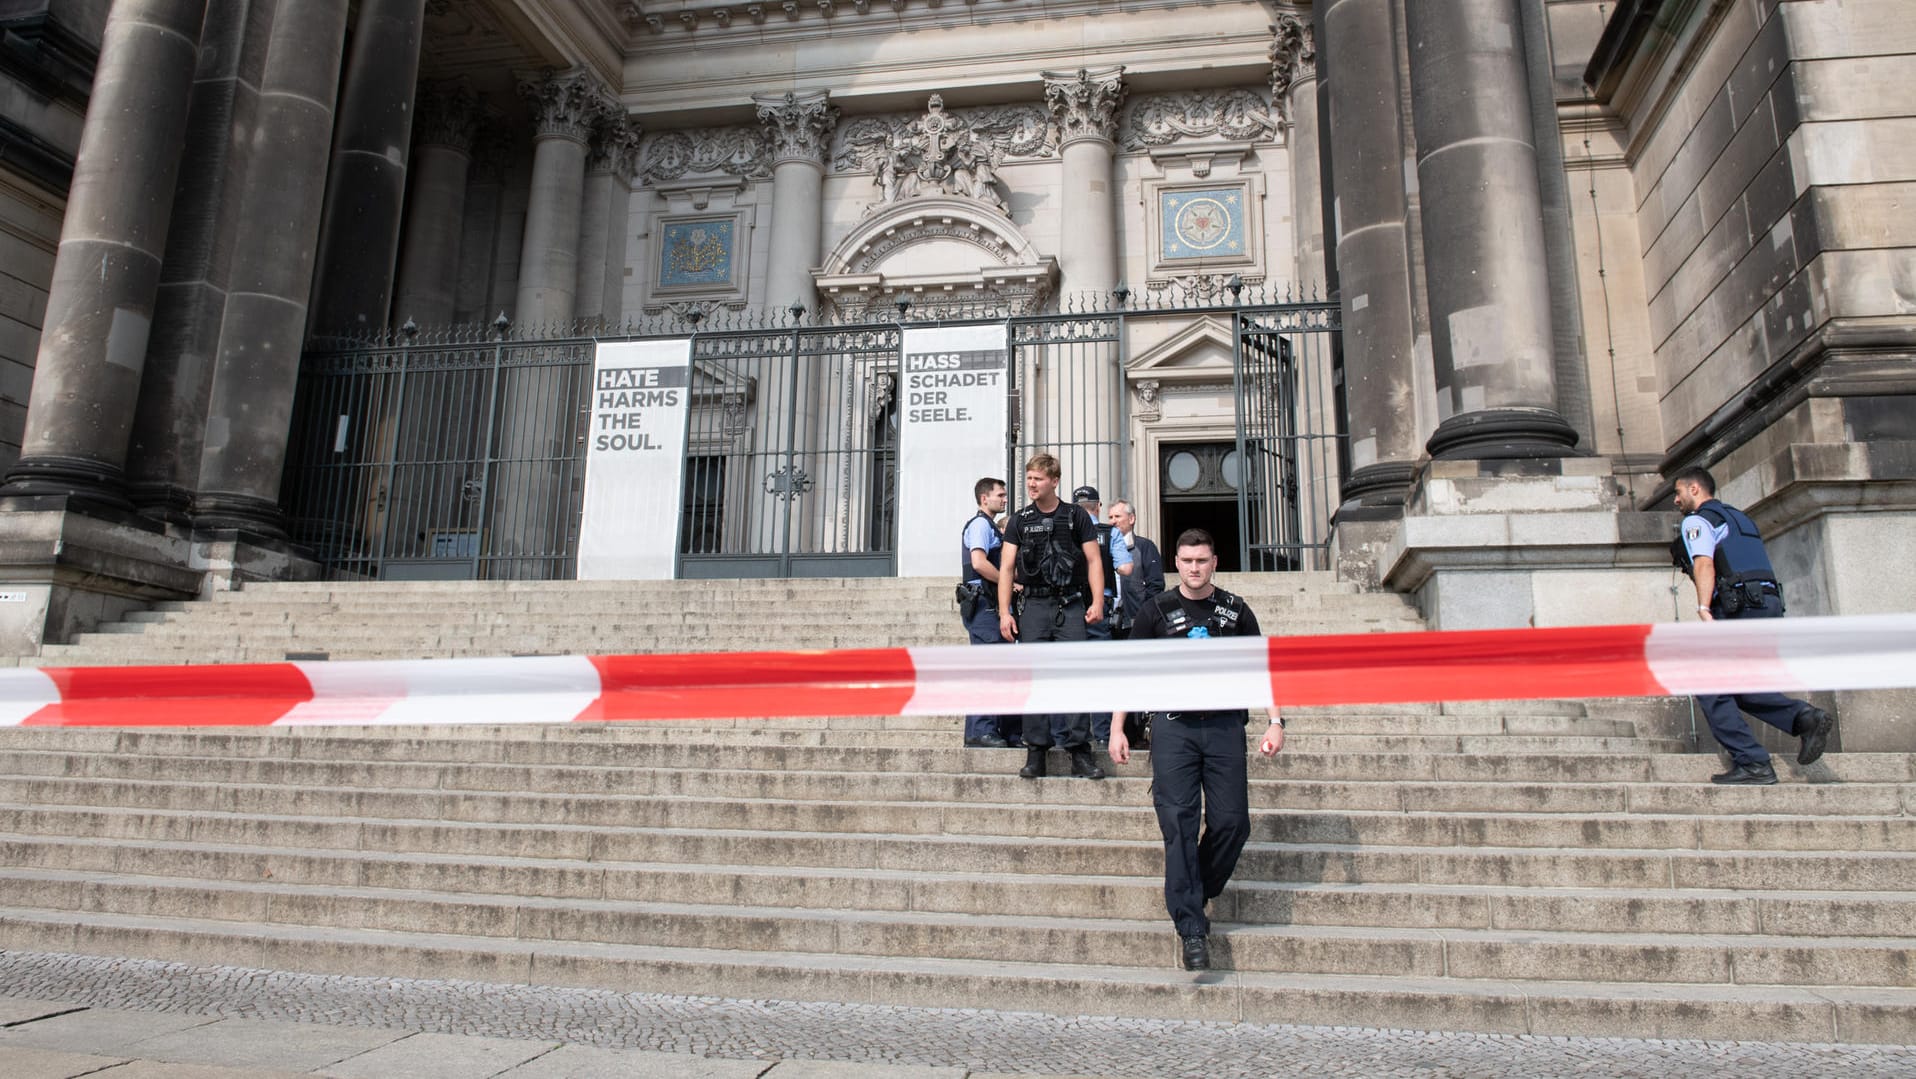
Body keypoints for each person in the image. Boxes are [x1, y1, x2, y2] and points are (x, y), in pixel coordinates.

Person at [1110, 528, 1284, 972]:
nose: (1194, 568)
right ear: (1176, 562)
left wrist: (1276, 720)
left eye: (1202, 560)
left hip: (1224, 727)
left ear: (1214, 562)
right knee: (1179, 825)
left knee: (1232, 823)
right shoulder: (1156, 610)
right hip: (1174, 729)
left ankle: (1195, 890)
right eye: (1187, 561)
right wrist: (1117, 729)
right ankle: (1191, 930)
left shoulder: (1236, 610)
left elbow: (1262, 666)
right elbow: (1128, 672)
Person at [1671, 466, 1836, 785]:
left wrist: (1704, 607)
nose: (1676, 500)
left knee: (1708, 684)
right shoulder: (1740, 518)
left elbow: (1704, 562)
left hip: (1738, 608)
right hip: (1767, 605)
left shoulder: (1697, 520)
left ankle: (1753, 762)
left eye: (1678, 492)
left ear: (1695, 489)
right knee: (1740, 685)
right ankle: (1803, 719)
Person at [998, 453, 1107, 780]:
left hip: (1069, 604)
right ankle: (1036, 751)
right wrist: (1004, 612)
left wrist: (1098, 600)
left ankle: (1079, 751)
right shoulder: (1019, 519)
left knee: (1074, 675)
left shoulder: (1076, 516)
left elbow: (1094, 561)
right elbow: (1006, 567)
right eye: (1029, 478)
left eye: (1038, 479)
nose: (1032, 484)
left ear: (1054, 481)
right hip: (1033, 607)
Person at [1070, 485, 1133, 747]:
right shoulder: (1110, 533)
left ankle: (1069, 734)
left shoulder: (1066, 531)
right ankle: (1102, 733)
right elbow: (1126, 568)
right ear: (1097, 507)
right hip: (1100, 605)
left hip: (1070, 605)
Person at [958, 476, 1018, 748]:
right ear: (985, 498)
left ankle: (986, 729)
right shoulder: (981, 525)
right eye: (1001, 495)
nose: (1005, 499)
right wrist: (1009, 582)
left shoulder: (989, 525)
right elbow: (979, 563)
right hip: (983, 604)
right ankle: (981, 730)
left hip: (988, 603)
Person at [1108, 499, 1165, 641]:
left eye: (1117, 516)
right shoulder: (1103, 547)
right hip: (1107, 623)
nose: (1113, 521)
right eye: (1110, 517)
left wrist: (1143, 614)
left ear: (1131, 518)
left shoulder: (1145, 546)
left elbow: (1156, 585)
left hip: (1134, 623)